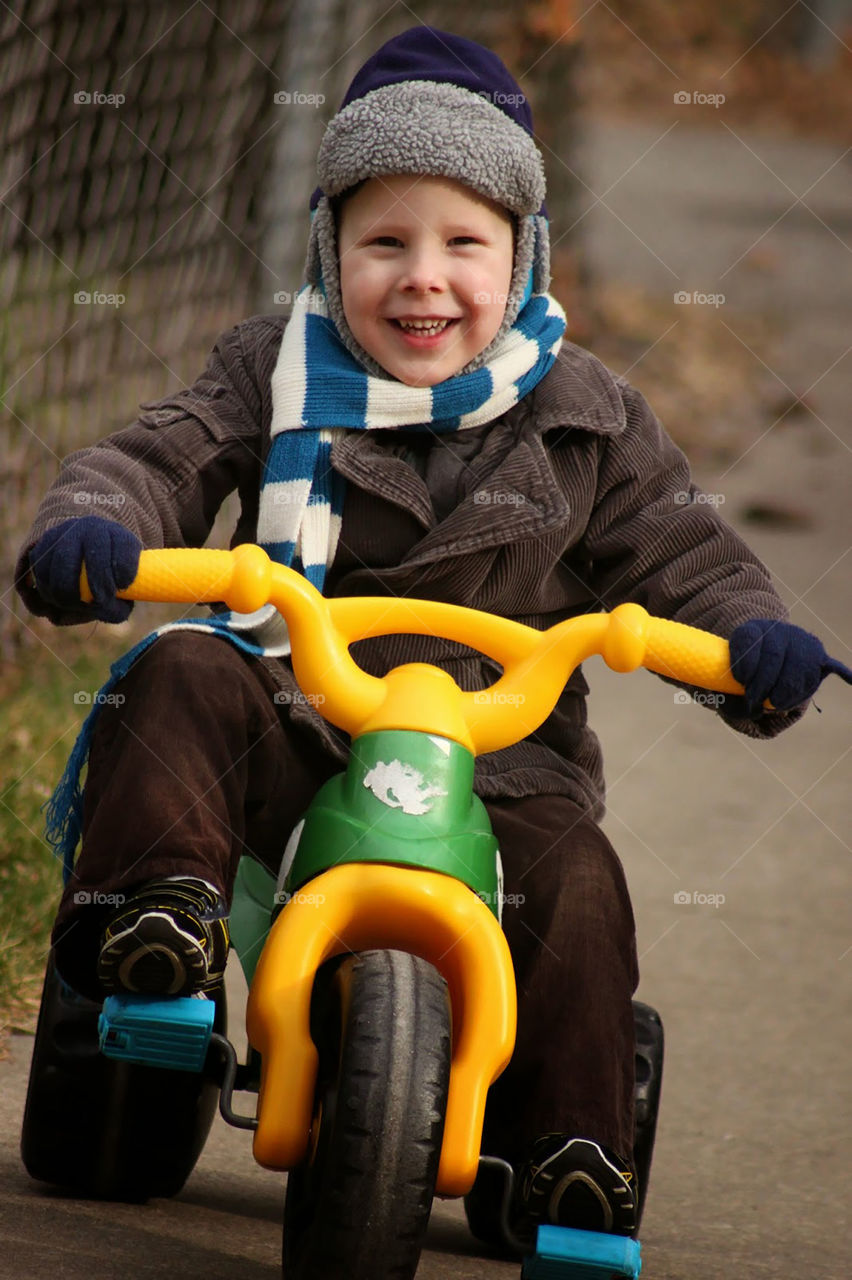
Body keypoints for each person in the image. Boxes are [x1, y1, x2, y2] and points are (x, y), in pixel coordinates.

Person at [15, 25, 850, 1247]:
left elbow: (686, 553)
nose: (423, 277)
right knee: (184, 671)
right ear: (328, 251)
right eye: (383, 242)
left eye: (464, 243)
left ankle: (571, 1148)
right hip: (298, 714)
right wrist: (96, 526)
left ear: (522, 259)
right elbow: (158, 457)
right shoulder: (270, 371)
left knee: (576, 879)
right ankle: (161, 926)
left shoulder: (591, 419)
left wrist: (753, 639)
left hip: (495, 759)